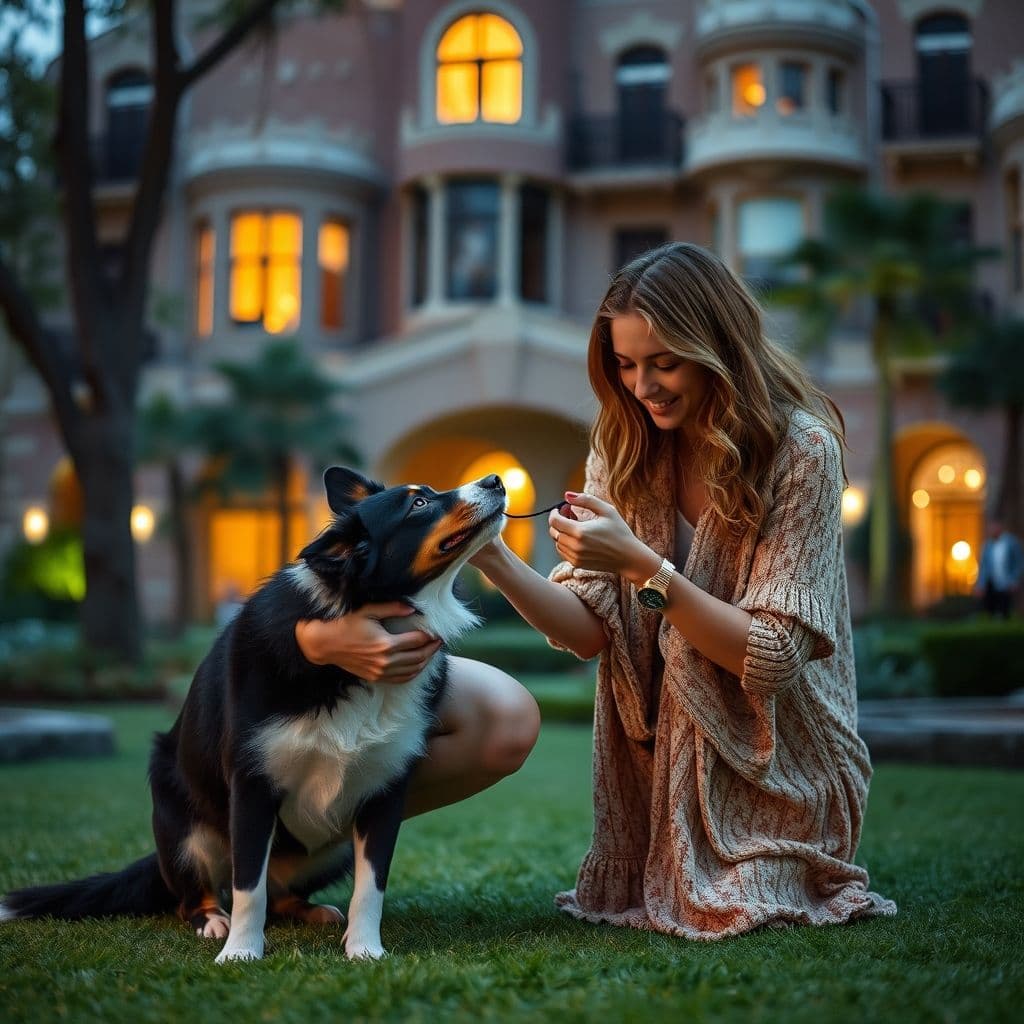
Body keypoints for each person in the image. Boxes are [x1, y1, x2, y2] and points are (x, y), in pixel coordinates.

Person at [467, 242, 896, 939]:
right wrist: (494, 559)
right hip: (654, 768)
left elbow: (774, 655)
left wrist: (643, 567)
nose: (643, 385)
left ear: (718, 347)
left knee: (738, 897)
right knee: (682, 892)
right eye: (626, 364)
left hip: (784, 758)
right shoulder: (623, 444)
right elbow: (587, 633)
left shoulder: (802, 452)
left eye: (664, 362)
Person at [975, 517, 1023, 619]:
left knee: (1006, 610)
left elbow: (1018, 562)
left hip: (1007, 583)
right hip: (992, 583)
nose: (991, 530)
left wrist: (1014, 580)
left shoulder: (1012, 542)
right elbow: (983, 567)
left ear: (1000, 526)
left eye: (993, 527)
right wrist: (980, 584)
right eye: (990, 527)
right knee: (991, 610)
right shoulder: (987, 545)